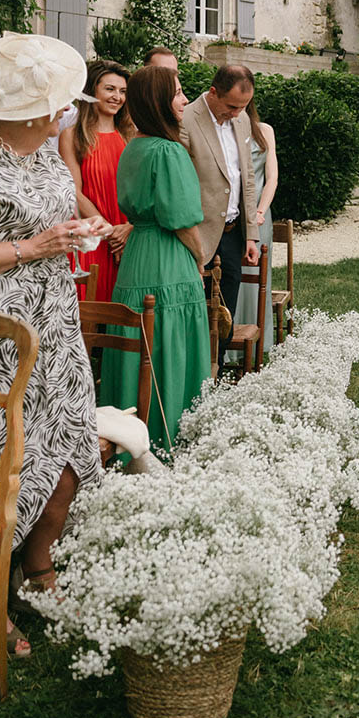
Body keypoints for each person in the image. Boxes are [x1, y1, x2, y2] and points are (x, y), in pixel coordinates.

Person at [0, 32, 109, 656]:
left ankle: (40, 570)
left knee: (69, 449)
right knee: (4, 462)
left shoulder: (49, 158)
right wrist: (32, 248)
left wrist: (85, 229)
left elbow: (54, 219)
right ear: (30, 109)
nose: (70, 109)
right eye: (61, 101)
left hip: (57, 325)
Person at [100, 66, 210, 451]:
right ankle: (169, 439)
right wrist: (200, 259)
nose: (183, 100)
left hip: (136, 259)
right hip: (167, 258)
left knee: (138, 341)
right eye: (178, 93)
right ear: (158, 102)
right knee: (168, 342)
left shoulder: (132, 146)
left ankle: (128, 437)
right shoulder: (168, 151)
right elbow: (181, 220)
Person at [179, 65, 259, 366]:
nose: (237, 113)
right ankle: (193, 377)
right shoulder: (187, 118)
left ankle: (217, 373)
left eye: (243, 107)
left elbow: (246, 179)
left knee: (226, 315)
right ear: (213, 93)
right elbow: (182, 182)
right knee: (196, 315)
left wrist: (251, 233)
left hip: (233, 234)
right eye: (231, 106)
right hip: (197, 234)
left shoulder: (242, 122)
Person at [60, 59, 133, 301]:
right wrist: (107, 231)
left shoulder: (130, 136)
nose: (117, 97)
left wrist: (127, 230)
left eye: (122, 91)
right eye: (110, 89)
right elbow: (75, 191)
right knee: (89, 315)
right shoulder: (72, 135)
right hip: (92, 236)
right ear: (92, 92)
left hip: (127, 238)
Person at [235, 95, 278, 353]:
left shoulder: (264, 131)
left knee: (255, 279)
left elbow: (271, 177)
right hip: (229, 216)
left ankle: (257, 343)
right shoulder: (224, 129)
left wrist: (259, 211)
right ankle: (229, 342)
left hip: (259, 216)